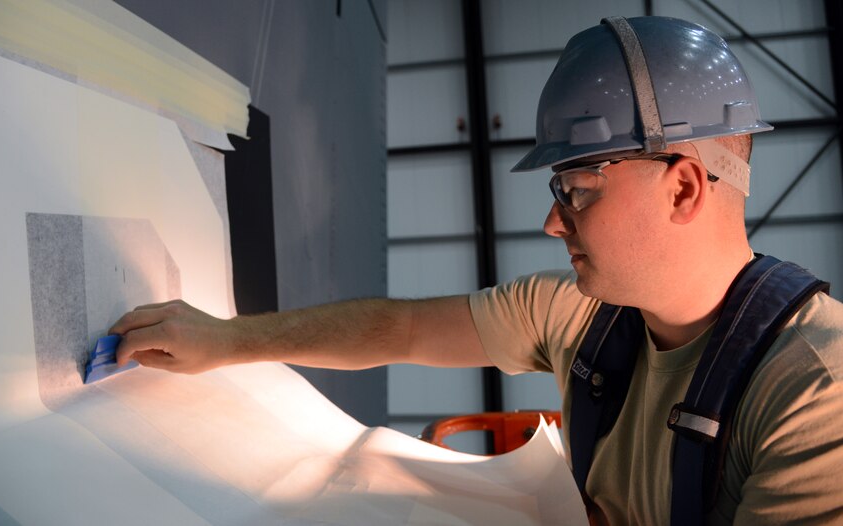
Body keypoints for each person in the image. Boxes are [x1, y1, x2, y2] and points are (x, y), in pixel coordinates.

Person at [110, 16, 843, 525]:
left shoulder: (816, 392)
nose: (554, 222)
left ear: (684, 185)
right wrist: (225, 341)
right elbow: (396, 327)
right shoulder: (577, 319)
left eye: (578, 190)